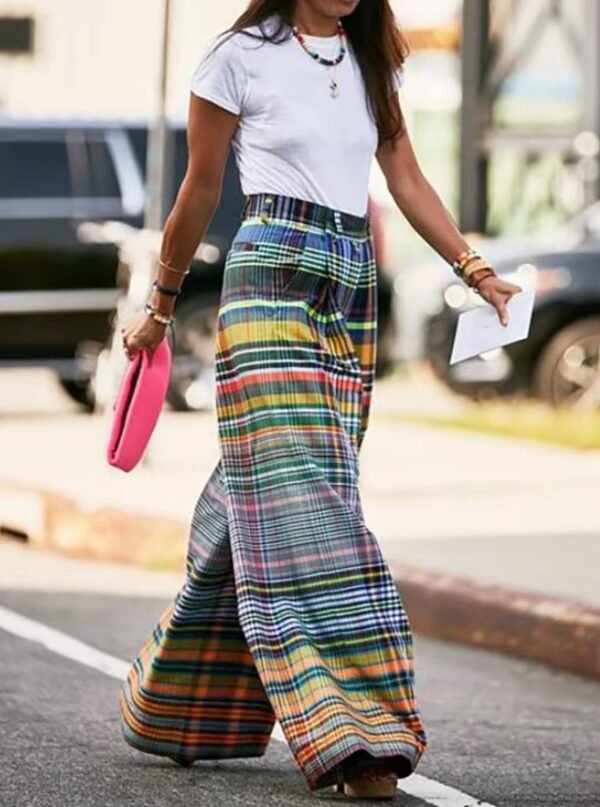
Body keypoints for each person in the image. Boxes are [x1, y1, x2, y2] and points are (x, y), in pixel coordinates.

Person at [119, 0, 522, 800]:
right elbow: (200, 192)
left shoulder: (373, 59)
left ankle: (177, 706)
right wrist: (160, 308)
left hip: (348, 281)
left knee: (277, 491)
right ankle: (357, 731)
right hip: (269, 271)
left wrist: (475, 270)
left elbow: (403, 172)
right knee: (312, 499)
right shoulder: (235, 57)